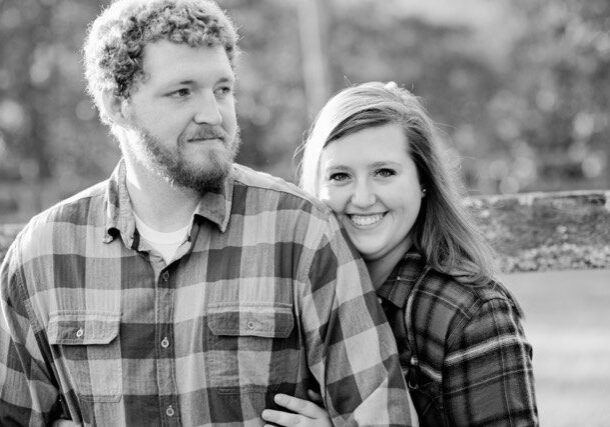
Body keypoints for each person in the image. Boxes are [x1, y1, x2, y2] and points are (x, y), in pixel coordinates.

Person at [0, 2, 416, 425]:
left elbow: (385, 414)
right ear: (116, 103)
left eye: (222, 89)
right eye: (182, 91)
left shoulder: (301, 232)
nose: (213, 115)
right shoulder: (43, 255)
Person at [262, 82, 539, 426]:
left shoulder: (472, 313)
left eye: (384, 172)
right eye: (340, 176)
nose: (362, 198)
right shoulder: (299, 300)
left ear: (423, 181)